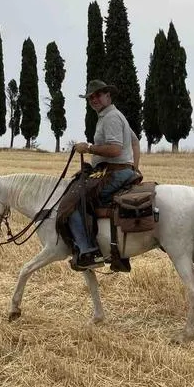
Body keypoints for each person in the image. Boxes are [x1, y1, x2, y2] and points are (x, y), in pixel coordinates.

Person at [69, 79, 141, 270]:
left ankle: (88, 251)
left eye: (98, 95)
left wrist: (89, 148)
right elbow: (135, 142)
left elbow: (115, 150)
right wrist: (133, 168)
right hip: (120, 171)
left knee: (76, 202)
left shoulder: (110, 118)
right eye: (90, 97)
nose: (94, 99)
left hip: (114, 173)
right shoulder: (113, 116)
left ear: (108, 95)